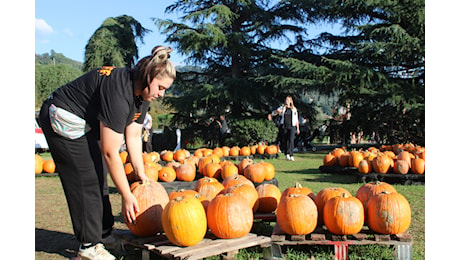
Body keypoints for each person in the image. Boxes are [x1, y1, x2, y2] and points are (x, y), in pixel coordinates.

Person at [38, 46, 176, 260]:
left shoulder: (143, 98)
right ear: (147, 77)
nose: (161, 93)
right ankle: (89, 246)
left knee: (99, 174)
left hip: (85, 124)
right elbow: (111, 152)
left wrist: (141, 174)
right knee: (87, 179)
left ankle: (103, 234)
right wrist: (127, 195)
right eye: (160, 87)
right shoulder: (119, 92)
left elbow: (132, 137)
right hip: (63, 116)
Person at [270, 96, 300, 161]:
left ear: (290, 101)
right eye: (286, 100)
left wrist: (298, 128)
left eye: (288, 100)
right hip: (285, 126)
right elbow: (274, 113)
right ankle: (287, 154)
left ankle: (291, 154)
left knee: (291, 140)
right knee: (286, 140)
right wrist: (276, 112)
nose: (287, 101)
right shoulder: (283, 108)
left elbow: (296, 119)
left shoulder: (294, 109)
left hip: (292, 126)